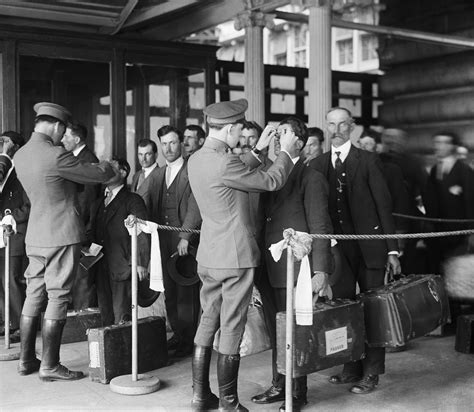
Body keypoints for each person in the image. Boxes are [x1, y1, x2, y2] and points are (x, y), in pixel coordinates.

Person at [188, 98, 299, 411]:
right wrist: (288, 153)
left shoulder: (198, 159)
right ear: (232, 128)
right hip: (235, 256)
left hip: (209, 255)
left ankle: (200, 397)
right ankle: (229, 403)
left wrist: (259, 150)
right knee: (232, 326)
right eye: (239, 130)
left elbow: (232, 173)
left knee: (208, 321)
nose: (241, 135)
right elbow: (271, 181)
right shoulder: (226, 162)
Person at [15, 102, 114, 381]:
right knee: (58, 295)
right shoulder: (56, 155)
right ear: (57, 127)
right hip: (61, 235)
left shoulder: (21, 155)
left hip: (35, 235)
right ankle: (50, 365)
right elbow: (98, 175)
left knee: (34, 293)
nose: (62, 136)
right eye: (62, 131)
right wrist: (106, 164)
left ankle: (26, 360)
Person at [310, 107, 401, 394]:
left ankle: (371, 372)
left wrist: (392, 250)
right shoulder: (318, 164)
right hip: (339, 251)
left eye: (341, 124)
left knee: (373, 309)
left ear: (351, 128)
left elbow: (383, 206)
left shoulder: (369, 160)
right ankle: (351, 367)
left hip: (371, 247)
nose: (336, 130)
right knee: (345, 309)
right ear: (326, 127)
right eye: (331, 124)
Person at [251, 117, 333, 411]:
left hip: (294, 269)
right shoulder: (270, 173)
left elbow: (321, 225)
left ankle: (297, 393)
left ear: (299, 142)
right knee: (276, 331)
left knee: (295, 334)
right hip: (269, 267)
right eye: (275, 133)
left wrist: (321, 270)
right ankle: (278, 385)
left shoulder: (310, 178)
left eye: (283, 133)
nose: (276, 136)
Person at [149, 125, 201, 357]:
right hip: (163, 240)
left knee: (186, 291)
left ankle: (189, 341)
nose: (168, 148)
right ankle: (178, 336)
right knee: (170, 289)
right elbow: (143, 200)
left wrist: (185, 236)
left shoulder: (192, 169)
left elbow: (195, 204)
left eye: (172, 142)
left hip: (185, 241)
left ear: (181, 143)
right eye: (164, 144)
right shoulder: (158, 174)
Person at [88, 158, 150, 325]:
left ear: (123, 172)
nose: (105, 171)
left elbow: (142, 232)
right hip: (101, 267)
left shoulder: (133, 200)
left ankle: (127, 351)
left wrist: (140, 263)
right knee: (106, 316)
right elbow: (91, 234)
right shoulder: (98, 203)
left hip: (124, 268)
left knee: (122, 317)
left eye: (110, 168)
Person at [61, 123, 101, 310]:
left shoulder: (87, 160)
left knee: (83, 279)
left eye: (66, 136)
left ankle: (85, 323)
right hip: (76, 228)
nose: (62, 140)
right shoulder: (76, 159)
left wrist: (82, 229)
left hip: (83, 229)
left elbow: (88, 201)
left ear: (76, 139)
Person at [424, 132, 474, 273]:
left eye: (443, 143)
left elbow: (470, 201)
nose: (438, 146)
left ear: (453, 146)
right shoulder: (434, 169)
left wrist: (471, 232)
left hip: (458, 235)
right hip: (437, 234)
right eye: (437, 142)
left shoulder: (464, 170)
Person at [0, 131, 29, 343]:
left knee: (13, 280)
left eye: (6, 141)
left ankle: (20, 325)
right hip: (0, 235)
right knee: (1, 280)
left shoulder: (23, 170)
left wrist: (8, 218)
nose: (2, 144)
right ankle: (6, 321)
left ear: (16, 146)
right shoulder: (2, 168)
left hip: (15, 235)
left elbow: (30, 205)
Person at [131, 139, 160, 216]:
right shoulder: (136, 176)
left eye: (147, 154)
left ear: (156, 155)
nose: (143, 159)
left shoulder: (161, 175)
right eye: (140, 154)